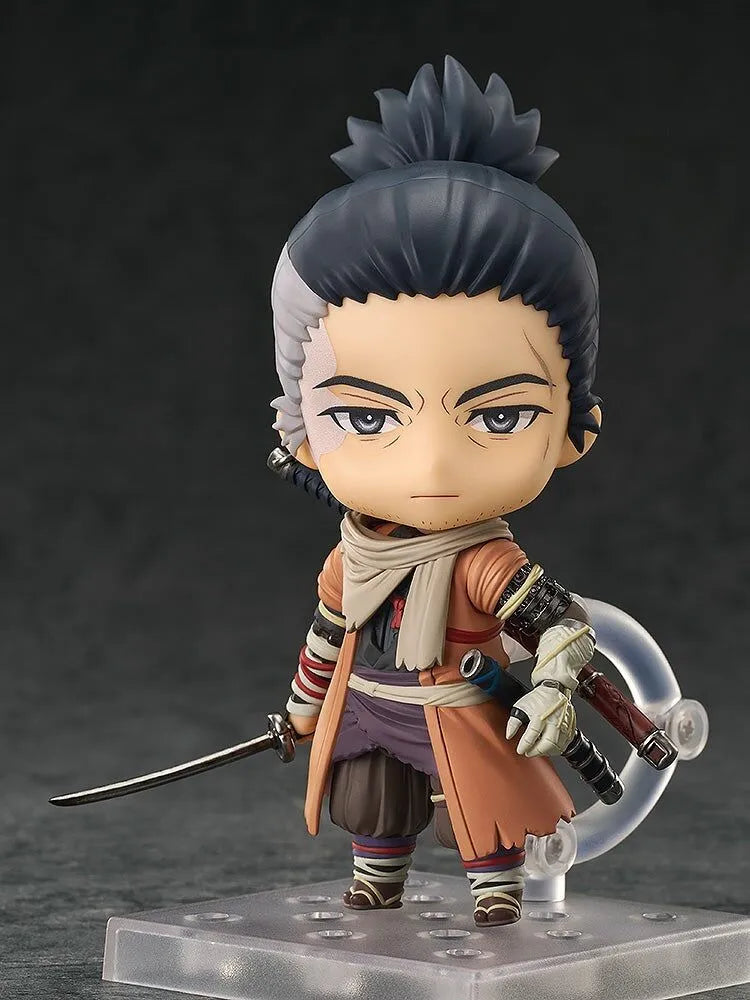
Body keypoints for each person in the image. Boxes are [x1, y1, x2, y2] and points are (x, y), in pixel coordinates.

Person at [270, 56, 601, 927]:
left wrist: (551, 688)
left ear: (574, 431)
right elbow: (328, 635)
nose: (431, 465)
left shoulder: (484, 561)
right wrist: (302, 710)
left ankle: (495, 890)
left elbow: (561, 626)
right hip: (370, 705)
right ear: (299, 431)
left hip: (460, 705)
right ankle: (378, 878)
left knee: (482, 814)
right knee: (371, 801)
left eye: (498, 417)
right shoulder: (353, 555)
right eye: (367, 418)